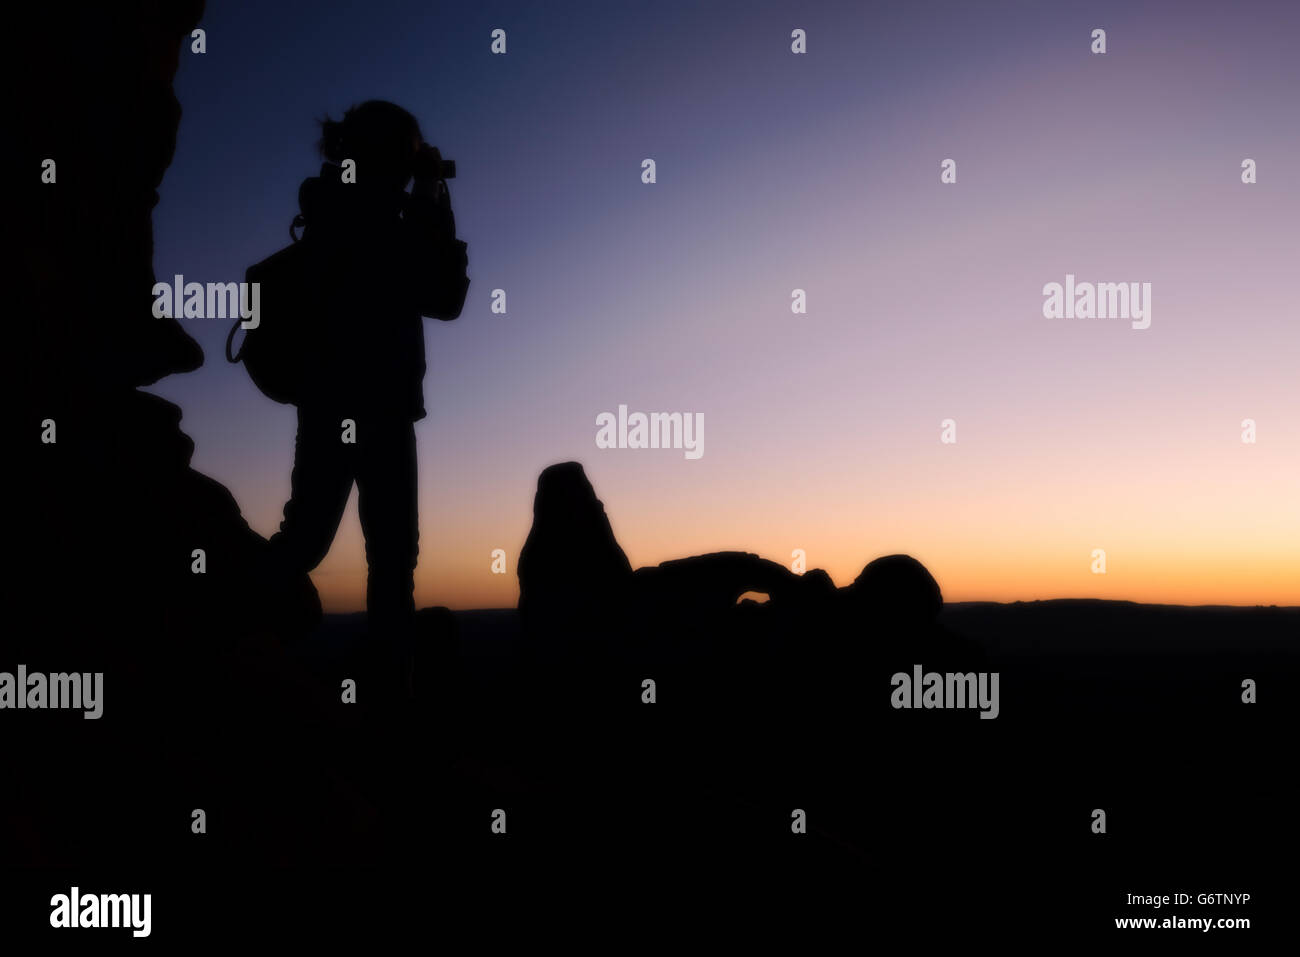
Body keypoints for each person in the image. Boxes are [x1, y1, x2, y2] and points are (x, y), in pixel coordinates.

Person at [266, 100, 469, 698]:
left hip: (327, 404)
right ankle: (388, 718)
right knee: (390, 567)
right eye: (409, 151)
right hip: (378, 408)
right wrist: (432, 194)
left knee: (304, 540)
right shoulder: (381, 216)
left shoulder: (333, 204)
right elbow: (445, 293)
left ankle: (226, 633)